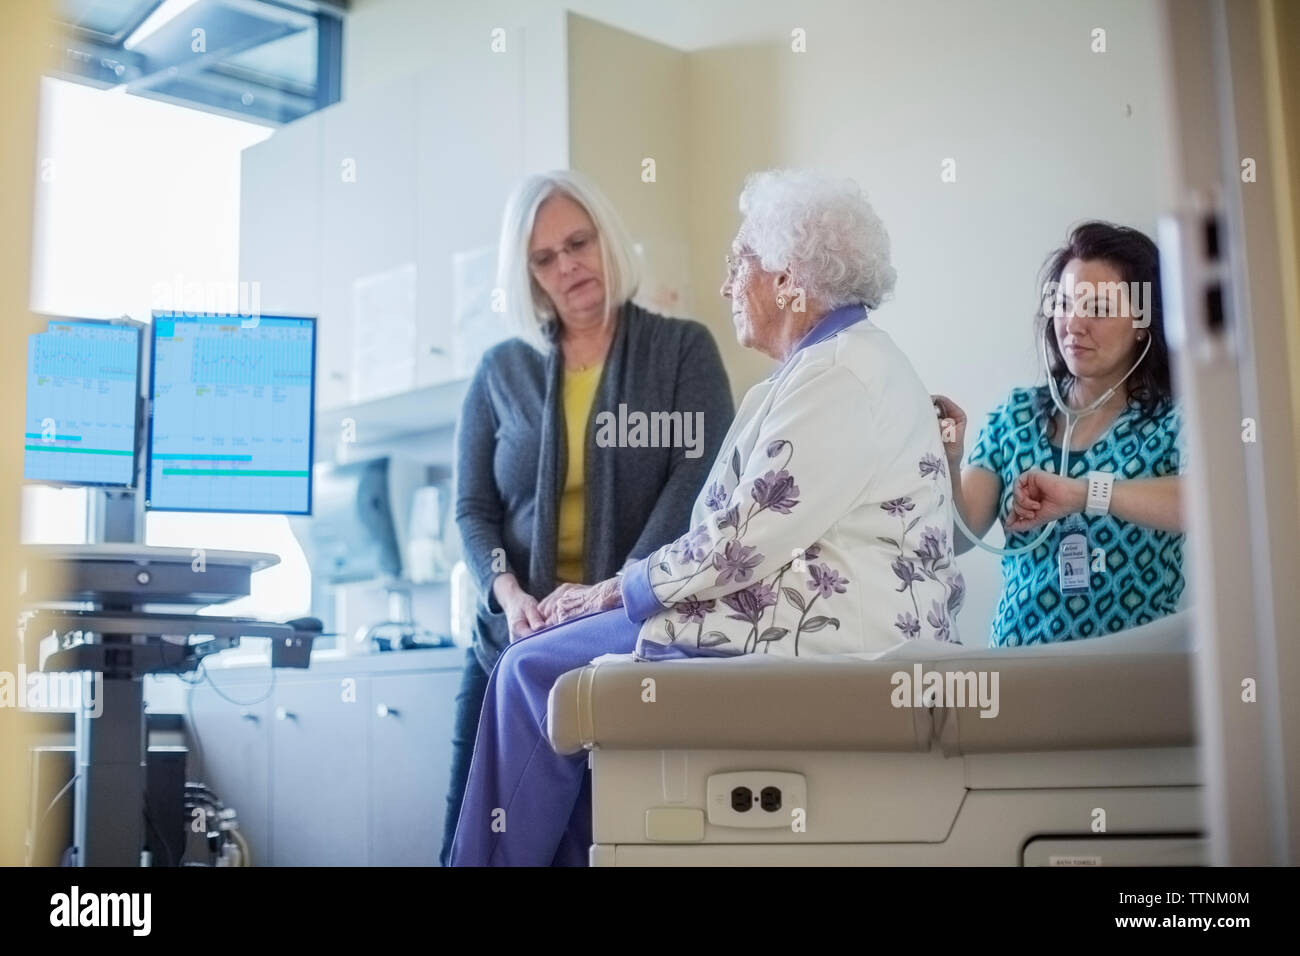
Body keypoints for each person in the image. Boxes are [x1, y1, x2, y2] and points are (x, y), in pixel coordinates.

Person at [449, 169, 964, 866]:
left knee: (531, 672)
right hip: (784, 608)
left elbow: (739, 541)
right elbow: (738, 532)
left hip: (818, 627)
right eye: (544, 257)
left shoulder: (837, 374)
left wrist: (611, 589)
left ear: (789, 278)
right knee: (543, 690)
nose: (727, 286)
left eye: (739, 264)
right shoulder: (819, 370)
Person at [441, 170, 733, 866]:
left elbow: (696, 484)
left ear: (607, 239)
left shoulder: (682, 351)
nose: (567, 265)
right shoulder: (499, 372)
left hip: (628, 641)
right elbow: (473, 508)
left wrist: (607, 595)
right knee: (470, 842)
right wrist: (507, 594)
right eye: (545, 257)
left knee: (595, 845)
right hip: (507, 644)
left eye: (578, 242)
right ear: (528, 274)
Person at [934, 221, 1185, 646]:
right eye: (1066, 304)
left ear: (1143, 323)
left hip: (1135, 673)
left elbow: (1202, 504)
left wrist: (1085, 493)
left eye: (1100, 309)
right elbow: (960, 537)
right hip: (1021, 665)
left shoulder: (1172, 420)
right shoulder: (1016, 416)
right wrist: (951, 461)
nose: (1074, 324)